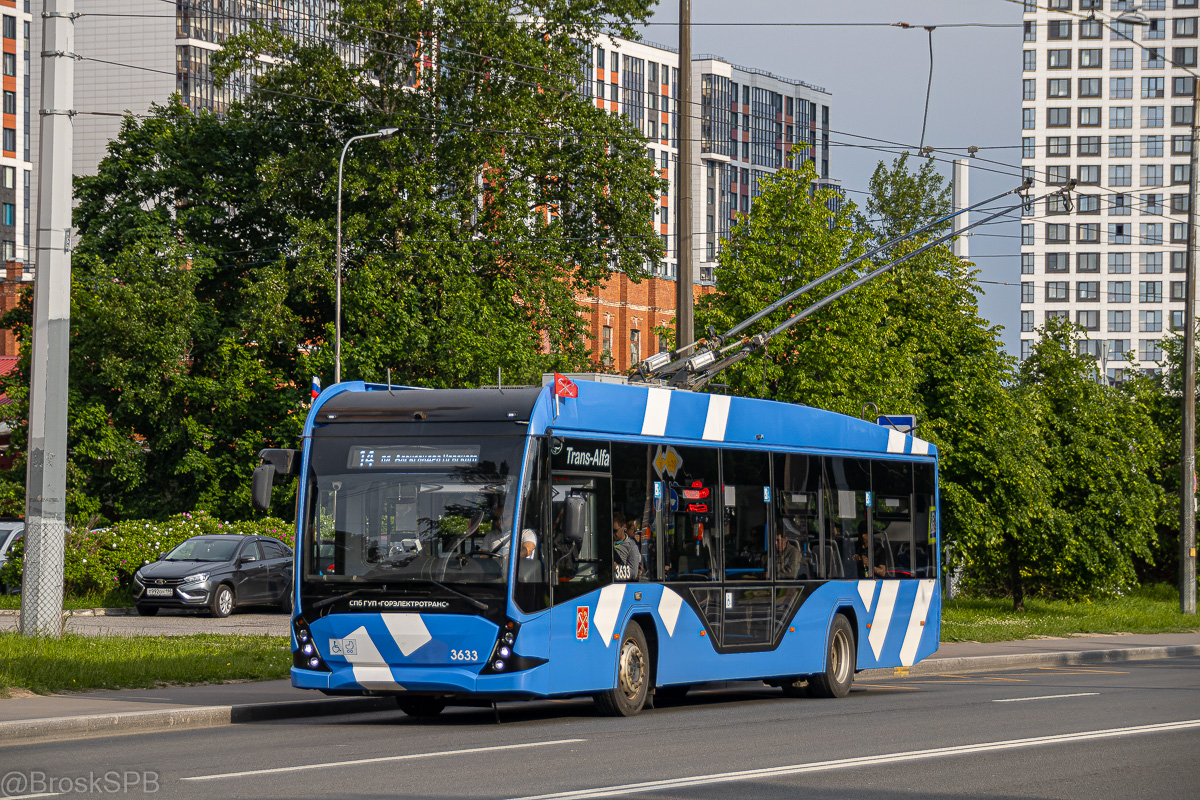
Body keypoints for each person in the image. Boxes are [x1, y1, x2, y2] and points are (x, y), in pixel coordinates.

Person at [612, 512, 640, 580]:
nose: (612, 533)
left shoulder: (631, 546)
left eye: (615, 531)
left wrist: (617, 568)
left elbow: (634, 573)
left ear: (623, 527)